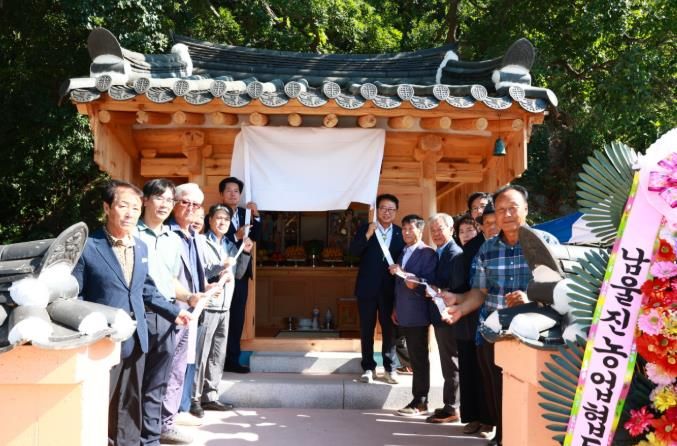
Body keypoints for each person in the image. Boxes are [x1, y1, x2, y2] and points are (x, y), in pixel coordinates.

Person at [72, 180, 190, 446]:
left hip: (136, 338)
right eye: (123, 206)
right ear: (107, 208)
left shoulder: (140, 246)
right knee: (100, 402)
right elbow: (75, 295)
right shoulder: (88, 247)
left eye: (135, 208)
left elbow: (145, 288)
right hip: (103, 340)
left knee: (130, 402)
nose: (130, 213)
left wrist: (173, 312)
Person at [442, 185, 559, 446]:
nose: (506, 214)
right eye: (501, 209)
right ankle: (503, 435)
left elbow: (560, 288)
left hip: (536, 332)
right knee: (496, 388)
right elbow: (479, 292)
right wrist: (461, 308)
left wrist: (531, 298)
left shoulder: (547, 243)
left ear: (526, 209)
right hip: (494, 331)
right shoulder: (487, 249)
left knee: (530, 389)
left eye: (512, 208)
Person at [136, 179, 203, 445]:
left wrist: (188, 296)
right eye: (159, 198)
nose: (164, 204)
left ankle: (152, 435)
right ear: (145, 200)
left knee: (159, 380)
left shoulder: (172, 240)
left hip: (166, 315)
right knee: (134, 380)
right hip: (137, 314)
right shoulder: (131, 234)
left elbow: (171, 280)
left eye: (168, 199)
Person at [161, 182, 215, 445]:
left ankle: (168, 420)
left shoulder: (192, 235)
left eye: (196, 204)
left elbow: (194, 272)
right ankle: (161, 423)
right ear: (174, 203)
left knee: (179, 368)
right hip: (170, 310)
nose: (191, 208)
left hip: (190, 311)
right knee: (166, 369)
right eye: (186, 202)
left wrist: (205, 287)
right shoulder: (167, 234)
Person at [190, 204, 253, 418]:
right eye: (218, 218)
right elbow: (199, 272)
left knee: (217, 354)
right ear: (209, 220)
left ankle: (210, 396)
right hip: (208, 306)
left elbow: (239, 274)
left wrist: (245, 253)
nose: (222, 222)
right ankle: (194, 398)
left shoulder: (230, 245)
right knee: (201, 354)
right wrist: (220, 265)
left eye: (226, 219)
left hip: (225, 307)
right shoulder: (200, 242)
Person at [349, 194, 405, 384]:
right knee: (367, 328)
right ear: (377, 210)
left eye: (391, 209)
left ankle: (390, 368)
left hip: (390, 289)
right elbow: (353, 253)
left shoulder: (400, 233)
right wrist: (367, 235)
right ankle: (368, 367)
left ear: (395, 212)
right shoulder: (366, 229)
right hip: (367, 288)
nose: (386, 212)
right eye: (383, 208)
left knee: (389, 330)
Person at [388, 215, 437, 415]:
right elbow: (398, 285)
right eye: (404, 229)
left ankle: (421, 401)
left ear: (420, 230)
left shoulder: (428, 253)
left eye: (411, 228)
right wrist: (395, 307)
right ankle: (418, 399)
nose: (407, 232)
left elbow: (430, 283)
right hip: (402, 310)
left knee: (419, 358)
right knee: (409, 354)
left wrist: (406, 275)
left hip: (418, 312)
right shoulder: (403, 251)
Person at [424, 213, 465, 424]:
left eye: (440, 229)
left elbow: (457, 287)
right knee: (447, 362)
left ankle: (453, 407)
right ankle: (450, 403)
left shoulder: (455, 254)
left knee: (451, 362)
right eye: (433, 230)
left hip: (450, 314)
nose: (436, 234)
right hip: (440, 314)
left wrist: (436, 289)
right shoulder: (439, 252)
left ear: (451, 229)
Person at [219, 176, 261, 373]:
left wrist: (256, 216)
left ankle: (232, 360)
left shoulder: (246, 214)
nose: (233, 194)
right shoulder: (217, 214)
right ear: (222, 194)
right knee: (220, 317)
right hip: (221, 273)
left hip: (241, 272)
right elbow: (215, 236)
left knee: (237, 317)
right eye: (229, 190)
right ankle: (216, 360)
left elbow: (257, 236)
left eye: (236, 191)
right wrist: (236, 235)